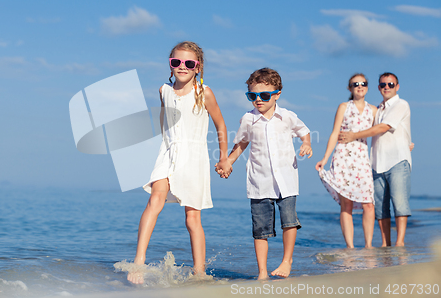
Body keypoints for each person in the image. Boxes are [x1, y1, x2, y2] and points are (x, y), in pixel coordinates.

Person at [127, 41, 232, 284]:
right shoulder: (164, 90)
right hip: (167, 152)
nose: (182, 67)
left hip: (194, 157)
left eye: (188, 63)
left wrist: (223, 157)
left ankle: (199, 272)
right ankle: (139, 262)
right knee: (155, 199)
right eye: (176, 62)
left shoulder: (203, 93)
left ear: (198, 67)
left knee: (192, 218)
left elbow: (221, 125)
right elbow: (165, 121)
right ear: (170, 65)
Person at [216, 68, 312, 279]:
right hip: (259, 182)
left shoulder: (287, 116)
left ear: (277, 94)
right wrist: (228, 162)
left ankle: (287, 261)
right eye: (253, 96)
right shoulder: (248, 119)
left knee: (289, 221)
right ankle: (262, 272)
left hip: (286, 179)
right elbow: (241, 144)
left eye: (264, 95)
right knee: (260, 230)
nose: (258, 100)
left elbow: (304, 132)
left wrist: (306, 144)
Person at [339, 72, 412, 247]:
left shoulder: (401, 104)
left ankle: (400, 242)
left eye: (391, 84)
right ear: (379, 88)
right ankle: (385, 243)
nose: (387, 87)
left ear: (397, 87)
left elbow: (383, 127)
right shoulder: (378, 109)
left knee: (399, 203)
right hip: (377, 163)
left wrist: (353, 136)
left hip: (397, 161)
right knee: (380, 207)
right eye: (383, 85)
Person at [315, 73, 376, 249]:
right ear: (349, 88)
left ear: (367, 87)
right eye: (355, 84)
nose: (359, 86)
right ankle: (350, 246)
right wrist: (325, 158)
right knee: (346, 204)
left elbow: (383, 129)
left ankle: (368, 245)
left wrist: (405, 143)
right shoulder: (344, 106)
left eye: (363, 83)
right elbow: (335, 133)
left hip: (362, 160)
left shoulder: (373, 110)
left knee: (369, 204)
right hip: (343, 158)